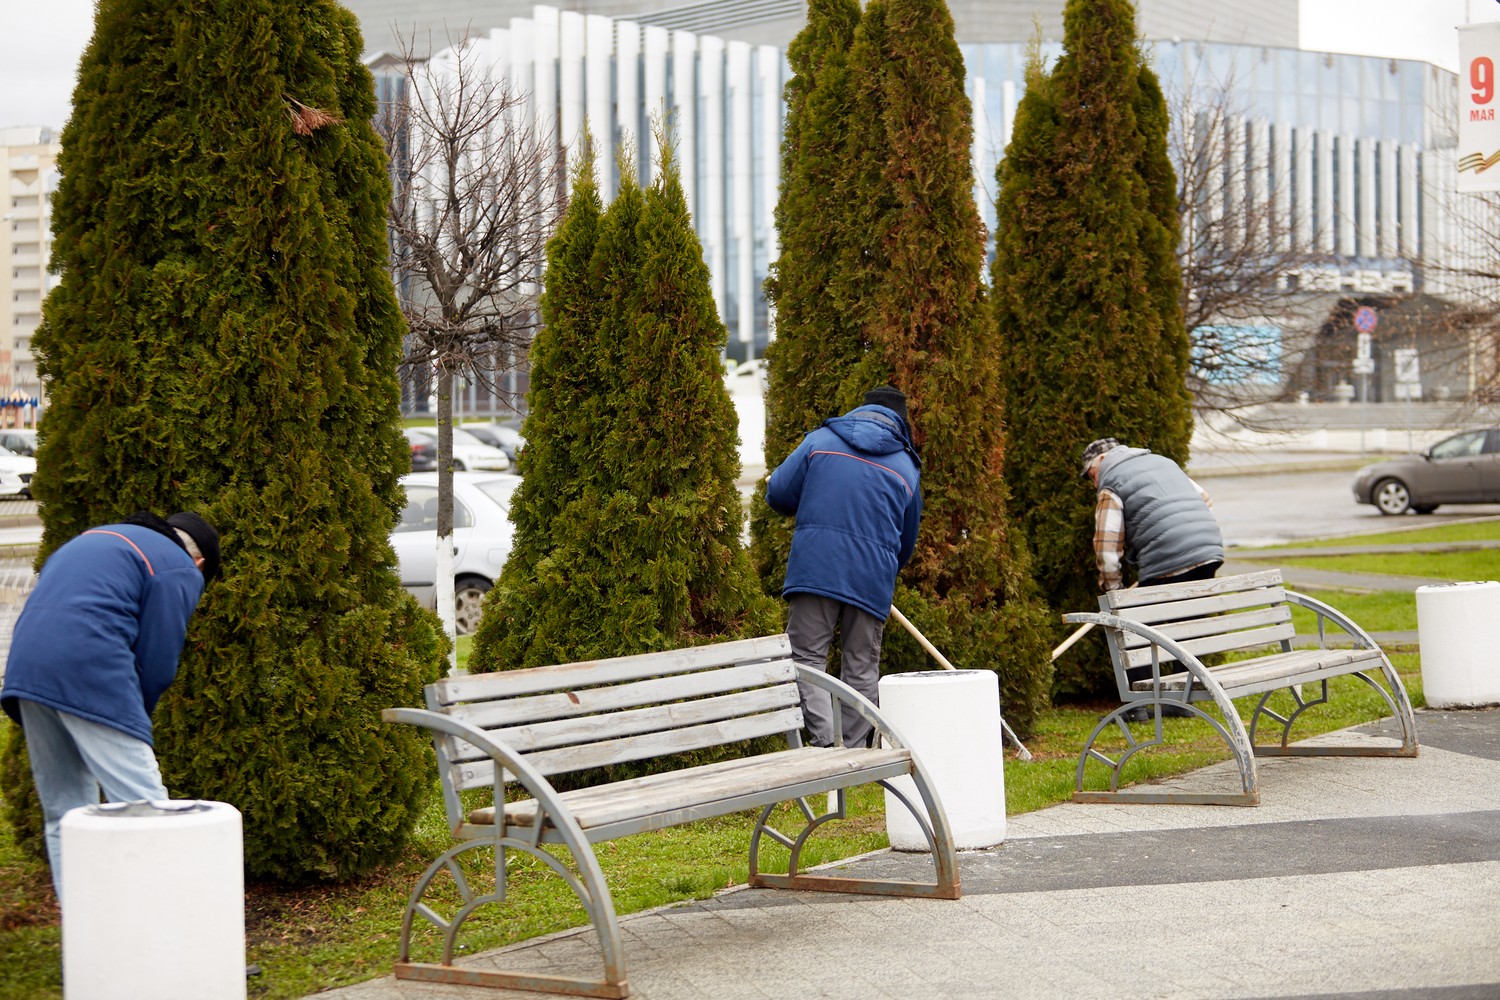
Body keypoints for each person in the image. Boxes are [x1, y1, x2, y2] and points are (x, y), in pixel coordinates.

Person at [1, 510, 220, 897]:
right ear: (200, 562)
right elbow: (157, 661)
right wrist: (134, 721)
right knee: (148, 808)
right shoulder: (179, 566)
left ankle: (85, 927)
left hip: (27, 671)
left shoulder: (95, 538)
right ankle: (171, 927)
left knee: (67, 815)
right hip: (90, 670)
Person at [766, 386, 922, 749]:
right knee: (861, 668)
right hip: (871, 580)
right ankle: (851, 753)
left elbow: (778, 494)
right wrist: (880, 568)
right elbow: (906, 544)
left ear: (861, 409)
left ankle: (826, 745)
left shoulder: (820, 441)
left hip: (816, 569)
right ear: (901, 421)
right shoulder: (907, 468)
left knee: (805, 659)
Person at [1080, 438, 1223, 593]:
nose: (1095, 484)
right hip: (1209, 553)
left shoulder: (1111, 483)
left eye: (1092, 475)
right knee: (1195, 606)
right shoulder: (1164, 463)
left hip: (1168, 562)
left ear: (1102, 458)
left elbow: (1106, 545)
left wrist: (1113, 589)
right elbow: (1206, 500)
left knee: (1148, 608)